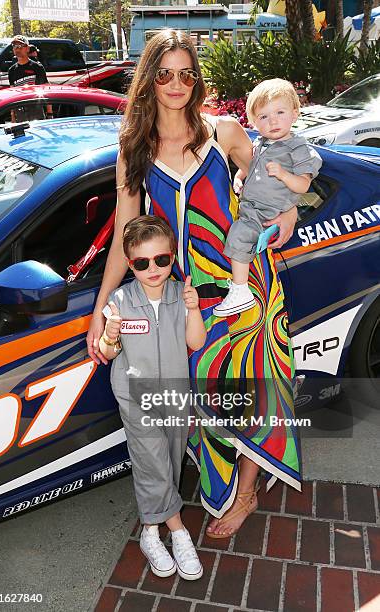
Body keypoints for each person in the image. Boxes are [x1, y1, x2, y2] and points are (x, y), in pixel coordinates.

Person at [87, 29, 302, 540]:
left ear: (196, 79)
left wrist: (289, 207)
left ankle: (247, 490)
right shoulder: (134, 151)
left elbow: (269, 180)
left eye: (187, 73)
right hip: (184, 299)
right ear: (150, 81)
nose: (177, 83)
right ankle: (225, 484)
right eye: (165, 74)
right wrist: (100, 310)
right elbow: (124, 237)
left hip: (243, 283)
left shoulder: (224, 133)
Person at [99, 215, 207, 580]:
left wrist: (193, 309)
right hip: (135, 396)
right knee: (153, 463)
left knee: (172, 462)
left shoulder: (180, 294)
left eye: (162, 260)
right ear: (130, 264)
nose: (153, 269)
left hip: (175, 393)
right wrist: (110, 334)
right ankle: (177, 530)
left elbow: (196, 343)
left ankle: (149, 531)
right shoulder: (121, 299)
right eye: (142, 263)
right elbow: (109, 351)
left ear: (172, 257)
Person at [213, 79, 322, 317]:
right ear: (253, 122)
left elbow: (303, 185)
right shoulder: (261, 143)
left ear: (295, 114)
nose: (272, 121)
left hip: (269, 210)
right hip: (253, 204)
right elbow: (252, 166)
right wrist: (240, 176)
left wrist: (283, 174)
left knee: (240, 235)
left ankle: (241, 291)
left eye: (279, 113)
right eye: (263, 117)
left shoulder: (298, 148)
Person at [8, 35, 53, 122]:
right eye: (14, 46)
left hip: (36, 109)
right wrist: (13, 117)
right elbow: (12, 95)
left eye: (20, 46)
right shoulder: (11, 70)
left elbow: (46, 89)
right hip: (20, 112)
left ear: (27, 48)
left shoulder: (37, 67)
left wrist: (50, 114)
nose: (17, 49)